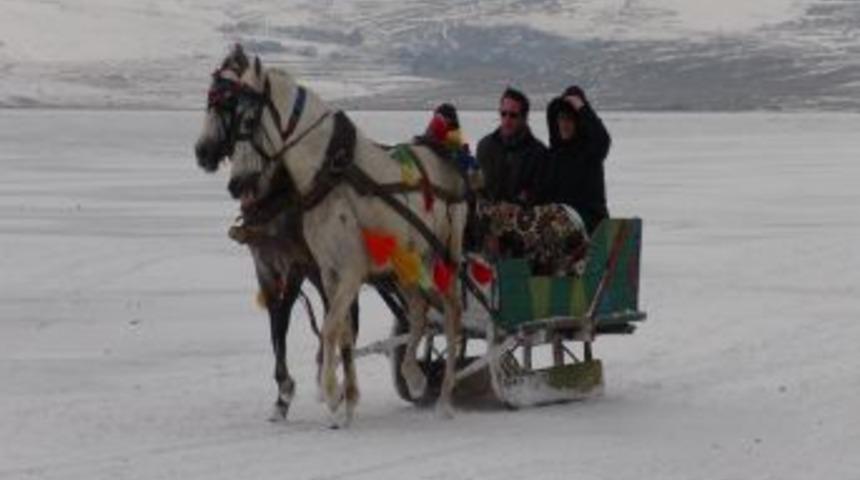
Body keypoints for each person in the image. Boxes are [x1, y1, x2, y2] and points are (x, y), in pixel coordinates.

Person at [541, 85, 611, 233]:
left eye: (569, 119)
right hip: (558, 229)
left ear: (579, 123)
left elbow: (602, 140)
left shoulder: (591, 153)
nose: (564, 125)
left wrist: (582, 107)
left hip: (590, 228)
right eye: (560, 119)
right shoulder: (552, 156)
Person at [476, 88, 547, 205]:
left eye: (513, 115)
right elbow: (478, 188)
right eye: (503, 114)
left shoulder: (539, 153)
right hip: (487, 217)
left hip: (523, 219)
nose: (507, 120)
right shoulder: (485, 147)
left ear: (524, 118)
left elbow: (539, 194)